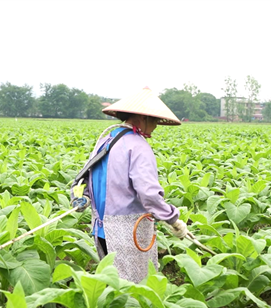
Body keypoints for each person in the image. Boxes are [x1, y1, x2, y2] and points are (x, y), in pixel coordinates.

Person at [72, 87, 188, 284]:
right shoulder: (138, 146)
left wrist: (80, 197)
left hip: (101, 229)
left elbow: (83, 180)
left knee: (112, 284)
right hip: (128, 233)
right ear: (142, 118)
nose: (156, 126)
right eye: (155, 120)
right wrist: (173, 219)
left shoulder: (105, 140)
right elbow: (149, 194)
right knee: (131, 288)